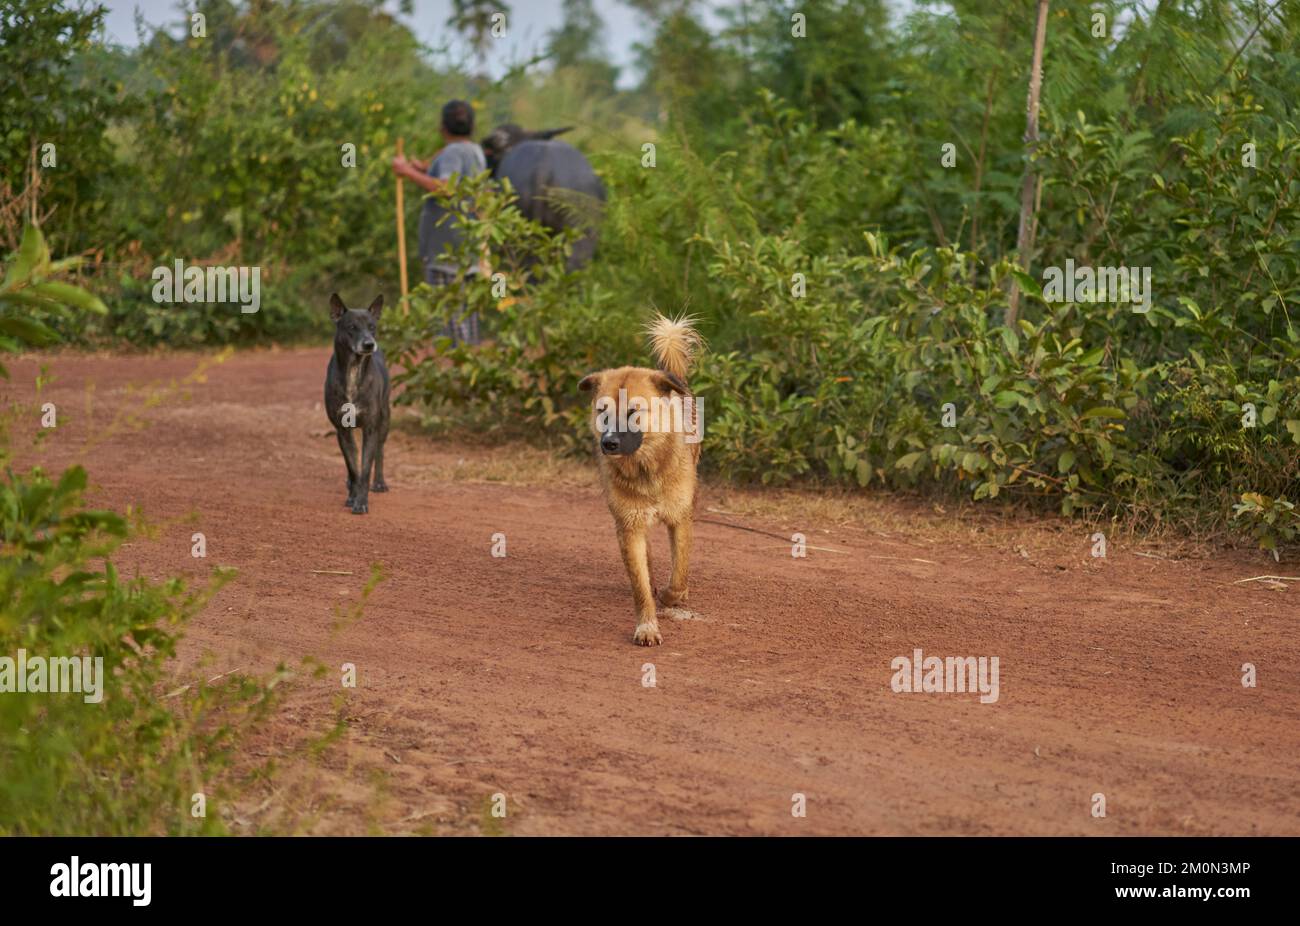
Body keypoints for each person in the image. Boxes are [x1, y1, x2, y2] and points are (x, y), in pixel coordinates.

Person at [391, 99, 487, 346]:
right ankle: (470, 369)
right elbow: (452, 173)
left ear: (442, 128)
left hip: (447, 251)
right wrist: (421, 168)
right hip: (467, 246)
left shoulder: (452, 152)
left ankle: (459, 371)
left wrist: (407, 173)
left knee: (451, 316)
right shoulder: (474, 151)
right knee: (466, 313)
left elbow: (447, 188)